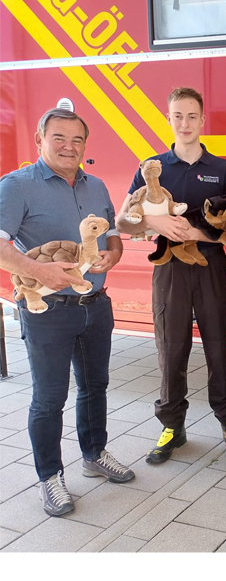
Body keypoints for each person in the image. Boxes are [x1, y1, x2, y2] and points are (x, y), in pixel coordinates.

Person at [0, 108, 134, 516]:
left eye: (77, 140)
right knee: (49, 398)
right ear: (40, 138)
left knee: (95, 388)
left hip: (96, 306)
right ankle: (50, 478)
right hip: (48, 312)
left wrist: (113, 254)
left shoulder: (95, 187)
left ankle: (94, 454)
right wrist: (37, 270)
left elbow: (111, 234)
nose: (68, 147)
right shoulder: (17, 185)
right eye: (59, 138)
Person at [115, 88, 226, 464]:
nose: (185, 123)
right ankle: (172, 425)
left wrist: (196, 233)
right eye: (177, 116)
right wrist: (155, 220)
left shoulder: (222, 169)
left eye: (191, 116)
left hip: (210, 266)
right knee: (171, 348)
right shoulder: (153, 167)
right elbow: (123, 220)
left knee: (220, 345)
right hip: (169, 268)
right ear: (168, 119)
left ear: (202, 120)